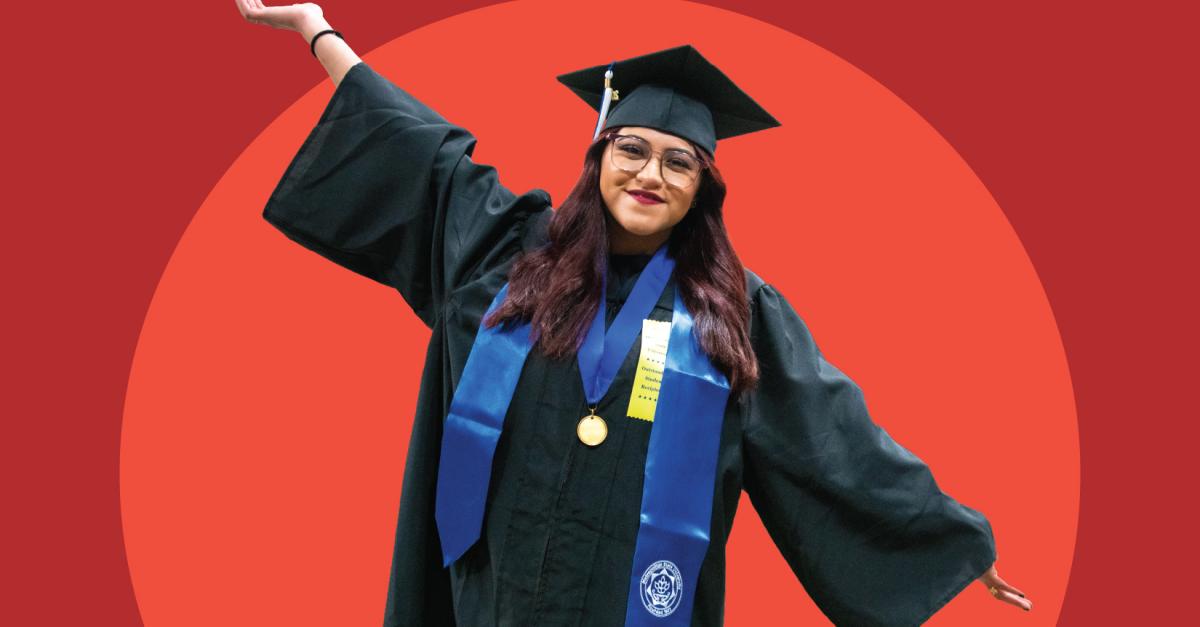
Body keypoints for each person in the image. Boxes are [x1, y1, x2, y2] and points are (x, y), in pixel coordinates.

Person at [235, 2, 1034, 625]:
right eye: (632, 150)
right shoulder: (506, 249)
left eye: (678, 160)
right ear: (600, 156)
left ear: (703, 185)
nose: (650, 174)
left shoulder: (734, 313)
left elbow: (834, 442)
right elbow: (422, 151)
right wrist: (319, 31)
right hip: (485, 603)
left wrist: (951, 541)